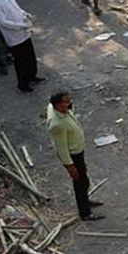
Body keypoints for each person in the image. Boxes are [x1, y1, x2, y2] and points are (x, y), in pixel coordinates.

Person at [47, 90, 104, 220]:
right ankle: (84, 212)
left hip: (78, 150)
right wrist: (69, 165)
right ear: (58, 105)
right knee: (80, 182)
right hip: (73, 156)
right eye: (66, 102)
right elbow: (61, 148)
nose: (70, 104)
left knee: (84, 180)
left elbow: (49, 106)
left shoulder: (57, 109)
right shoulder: (57, 125)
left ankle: (85, 200)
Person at [0, 0, 40, 91]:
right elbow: (3, 22)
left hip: (24, 31)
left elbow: (16, 8)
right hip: (14, 36)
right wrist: (21, 26)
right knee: (21, 61)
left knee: (30, 56)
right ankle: (23, 84)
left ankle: (32, 76)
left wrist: (25, 14)